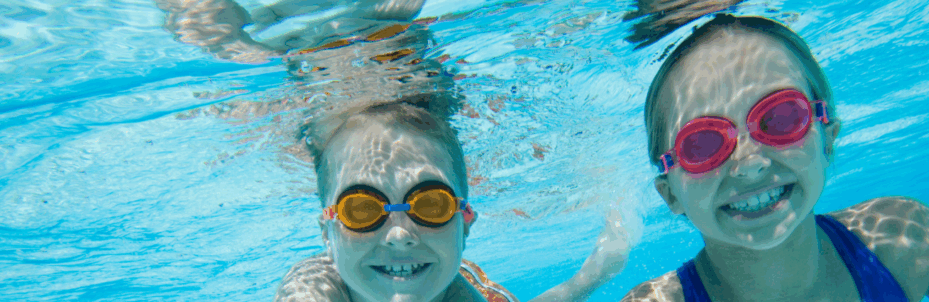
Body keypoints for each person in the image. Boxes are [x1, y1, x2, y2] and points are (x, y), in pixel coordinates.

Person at [155, 0, 632, 301]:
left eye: (431, 204)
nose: (400, 233)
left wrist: (596, 270)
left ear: (466, 220)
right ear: (328, 230)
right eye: (362, 209)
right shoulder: (314, 290)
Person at [619, 2, 929, 301]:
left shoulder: (906, 238)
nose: (750, 164)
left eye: (779, 119)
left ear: (827, 136)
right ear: (670, 193)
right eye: (703, 144)